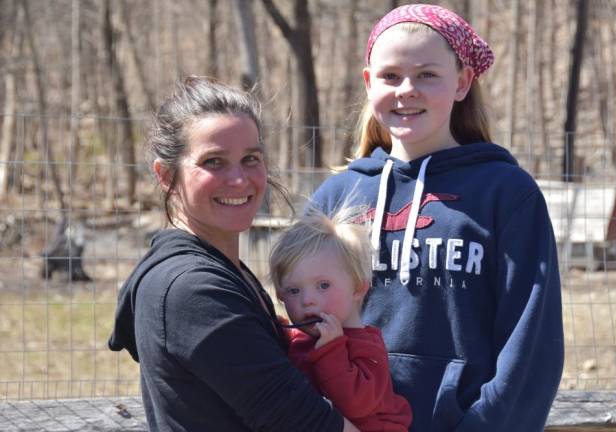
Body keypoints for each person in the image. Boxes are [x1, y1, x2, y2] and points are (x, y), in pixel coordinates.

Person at [310, 4, 564, 431]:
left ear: (462, 82)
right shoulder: (335, 198)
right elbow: (304, 322)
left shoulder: (507, 193)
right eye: (391, 76)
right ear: (369, 83)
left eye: (427, 74)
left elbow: (531, 343)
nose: (407, 89)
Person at [108, 76, 359, 432]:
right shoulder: (190, 290)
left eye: (251, 159)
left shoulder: (226, 269)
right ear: (166, 176)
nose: (239, 180)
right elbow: (303, 423)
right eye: (214, 162)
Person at [269, 207, 413, 431]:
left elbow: (356, 405)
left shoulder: (366, 347)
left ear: (358, 287)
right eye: (293, 291)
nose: (308, 300)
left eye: (323, 286)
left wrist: (332, 351)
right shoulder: (300, 338)